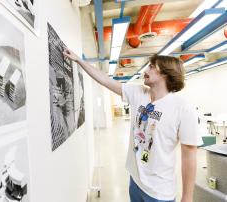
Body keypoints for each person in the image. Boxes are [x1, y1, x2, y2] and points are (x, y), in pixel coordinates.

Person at [63, 49, 203, 202]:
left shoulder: (182, 108)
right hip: (135, 181)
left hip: (159, 192)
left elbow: (189, 155)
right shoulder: (139, 93)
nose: (146, 70)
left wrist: (187, 197)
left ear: (164, 73)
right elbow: (105, 80)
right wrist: (79, 60)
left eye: (151, 66)